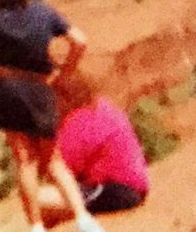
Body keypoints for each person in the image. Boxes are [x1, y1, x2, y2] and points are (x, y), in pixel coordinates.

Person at [0, 0, 106, 232]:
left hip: (8, 92)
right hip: (40, 89)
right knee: (53, 160)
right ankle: (84, 219)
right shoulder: (42, 12)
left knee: (25, 161)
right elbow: (80, 41)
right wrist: (65, 71)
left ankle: (36, 227)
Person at [37, 74, 149, 220]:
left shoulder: (75, 124)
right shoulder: (104, 106)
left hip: (115, 190)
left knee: (41, 197)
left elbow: (61, 172)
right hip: (138, 185)